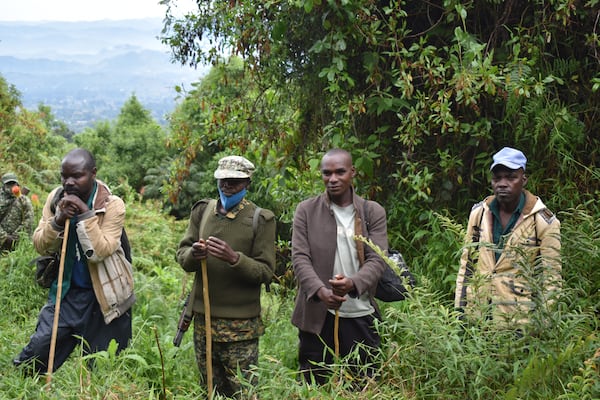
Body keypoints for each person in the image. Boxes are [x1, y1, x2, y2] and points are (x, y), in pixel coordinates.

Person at [13, 148, 135, 374]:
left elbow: (102, 251)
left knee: (101, 367)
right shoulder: (55, 198)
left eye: (77, 176)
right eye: (64, 176)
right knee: (36, 355)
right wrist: (58, 221)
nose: (69, 183)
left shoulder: (112, 204)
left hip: (105, 297)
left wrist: (86, 214)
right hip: (67, 291)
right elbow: (39, 243)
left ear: (93, 173)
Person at [176, 155, 276, 398]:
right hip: (203, 320)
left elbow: (266, 272)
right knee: (209, 389)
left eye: (235, 182)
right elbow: (182, 255)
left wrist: (235, 259)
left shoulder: (260, 219)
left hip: (240, 327)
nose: (228, 186)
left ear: (247, 184)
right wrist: (194, 254)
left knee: (243, 391)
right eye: (223, 180)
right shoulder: (202, 211)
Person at [291, 148, 387, 384]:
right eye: (327, 173)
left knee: (364, 383)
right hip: (316, 315)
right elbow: (300, 258)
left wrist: (353, 283)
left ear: (352, 172)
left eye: (340, 172)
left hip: (360, 312)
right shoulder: (306, 210)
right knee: (314, 384)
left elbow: (378, 259)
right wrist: (321, 292)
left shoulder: (371, 211)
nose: (333, 179)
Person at [455, 147, 561, 327]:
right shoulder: (479, 214)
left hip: (520, 321)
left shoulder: (543, 221)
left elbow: (551, 278)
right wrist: (459, 314)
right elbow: (467, 267)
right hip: (479, 317)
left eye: (511, 177)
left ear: (523, 180)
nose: (502, 183)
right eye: (497, 178)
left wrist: (544, 325)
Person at [0, 172, 34, 251]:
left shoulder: (24, 200)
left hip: (18, 245)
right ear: (3, 186)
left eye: (13, 183)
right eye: (8, 184)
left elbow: (28, 220)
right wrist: (4, 237)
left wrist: (15, 237)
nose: (11, 187)